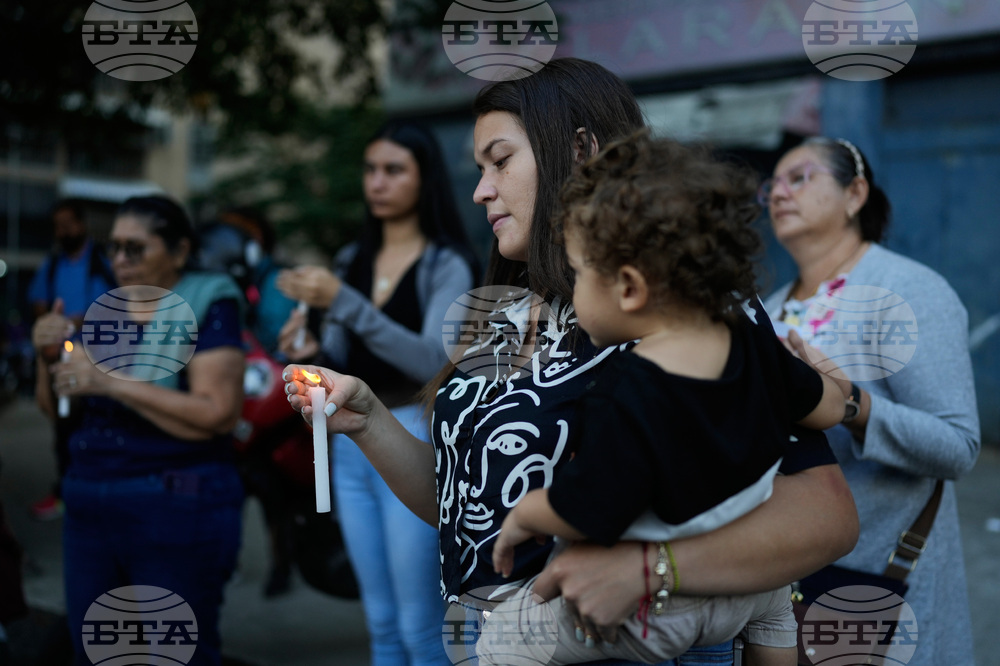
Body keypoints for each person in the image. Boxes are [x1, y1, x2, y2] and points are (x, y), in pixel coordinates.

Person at [283, 58, 859, 666]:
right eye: (479, 170)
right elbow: (468, 503)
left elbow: (827, 515)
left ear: (580, 150)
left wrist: (650, 570)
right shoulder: (503, 318)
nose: (481, 190)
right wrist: (370, 419)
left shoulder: (680, 308)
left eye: (500, 162)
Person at [484, 132, 847, 666]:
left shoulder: (624, 389)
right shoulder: (750, 340)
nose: (575, 290)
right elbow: (830, 409)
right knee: (776, 615)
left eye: (581, 274)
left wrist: (525, 514)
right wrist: (835, 384)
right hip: (756, 590)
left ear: (629, 288)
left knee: (501, 641)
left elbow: (591, 510)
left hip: (661, 607)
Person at [760, 137, 980, 665]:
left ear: (855, 193)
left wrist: (854, 404)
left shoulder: (906, 289)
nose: (779, 193)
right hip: (780, 570)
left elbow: (958, 445)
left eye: (801, 177)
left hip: (879, 573)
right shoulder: (767, 309)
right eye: (772, 185)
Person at [276, 121, 478, 665]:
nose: (378, 182)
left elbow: (432, 362)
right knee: (380, 621)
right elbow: (341, 354)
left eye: (394, 170)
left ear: (424, 179)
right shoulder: (350, 260)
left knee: (419, 623)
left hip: (413, 427)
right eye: (371, 170)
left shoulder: (445, 262)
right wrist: (309, 343)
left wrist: (346, 302)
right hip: (347, 437)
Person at [32, 195, 246, 666]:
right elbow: (57, 409)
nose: (121, 261)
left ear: (179, 251)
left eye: (136, 248)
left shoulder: (208, 300)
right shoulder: (105, 311)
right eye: (114, 249)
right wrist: (45, 358)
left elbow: (217, 413)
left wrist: (108, 383)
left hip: (173, 499)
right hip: (89, 497)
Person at [27, 199, 116, 521]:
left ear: (81, 224)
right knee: (63, 425)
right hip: (60, 361)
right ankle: (67, 489)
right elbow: (39, 305)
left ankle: (95, 489)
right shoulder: (51, 265)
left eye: (67, 224)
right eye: (57, 225)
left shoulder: (105, 262)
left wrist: (83, 322)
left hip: (101, 363)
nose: (62, 232)